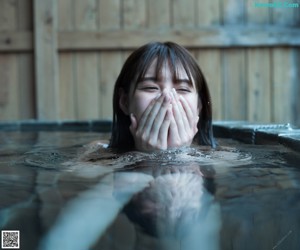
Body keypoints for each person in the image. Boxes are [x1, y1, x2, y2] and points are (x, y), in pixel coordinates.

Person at [109, 41, 216, 152]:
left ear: (199, 105)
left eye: (182, 89)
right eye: (150, 88)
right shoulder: (96, 157)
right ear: (125, 102)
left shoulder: (223, 157)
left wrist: (181, 154)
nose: (167, 98)